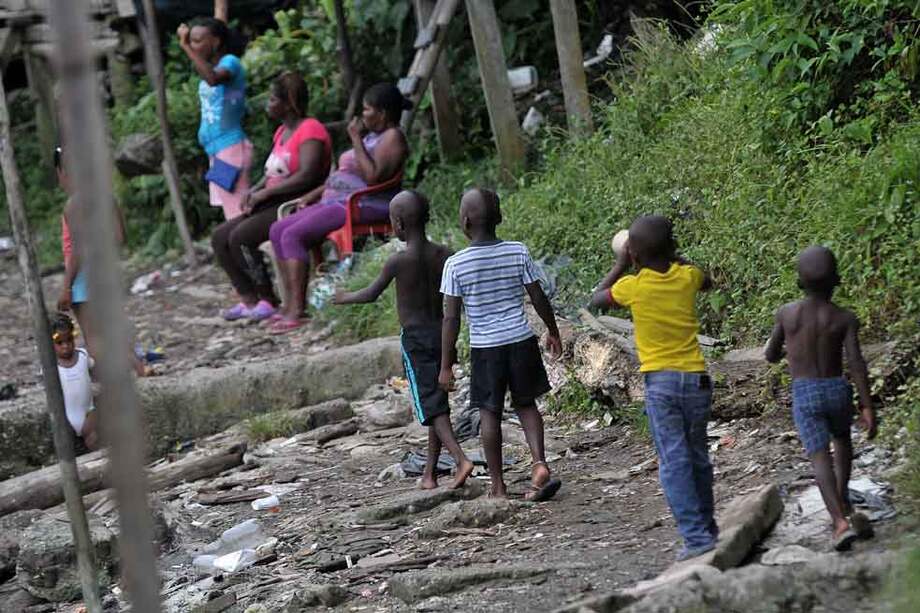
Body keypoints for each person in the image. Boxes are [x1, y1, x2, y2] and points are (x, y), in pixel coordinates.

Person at [590, 215, 717, 561]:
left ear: (634, 256)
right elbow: (707, 280)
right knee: (697, 457)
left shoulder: (634, 286)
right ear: (673, 248)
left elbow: (596, 300)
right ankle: (708, 527)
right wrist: (675, 255)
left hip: (661, 385)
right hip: (696, 380)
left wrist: (620, 264)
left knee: (674, 461)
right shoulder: (687, 277)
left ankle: (696, 538)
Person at [334, 191, 474, 489]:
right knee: (439, 403)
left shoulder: (398, 261)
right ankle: (430, 473)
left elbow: (371, 294)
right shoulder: (445, 254)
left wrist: (343, 297)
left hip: (416, 340)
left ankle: (461, 460)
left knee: (431, 407)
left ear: (398, 223)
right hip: (443, 335)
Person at [439, 188, 563, 501]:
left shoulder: (456, 264)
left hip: (486, 349)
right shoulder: (517, 251)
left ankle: (497, 485)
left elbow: (451, 319)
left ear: (465, 222)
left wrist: (446, 365)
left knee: (489, 414)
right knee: (527, 404)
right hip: (521, 340)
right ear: (500, 218)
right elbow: (537, 296)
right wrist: (553, 330)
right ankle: (539, 463)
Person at [267, 83, 410, 333]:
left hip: (362, 204)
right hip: (335, 200)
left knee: (293, 235)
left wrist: (355, 138)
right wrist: (313, 195)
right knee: (278, 229)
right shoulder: (372, 136)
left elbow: (374, 176)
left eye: (366, 109)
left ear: (383, 113)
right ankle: (289, 304)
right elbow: (343, 174)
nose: (361, 115)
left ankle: (297, 311)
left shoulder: (392, 137)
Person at [765, 245, 876, 551]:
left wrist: (788, 347)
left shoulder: (787, 314)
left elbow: (771, 355)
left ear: (799, 282)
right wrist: (867, 405)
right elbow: (856, 363)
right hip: (837, 388)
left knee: (818, 456)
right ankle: (842, 501)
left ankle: (839, 523)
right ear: (837, 279)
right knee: (842, 441)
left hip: (806, 393)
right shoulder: (844, 318)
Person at [210, 72, 332, 322]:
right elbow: (271, 174)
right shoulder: (281, 132)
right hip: (272, 200)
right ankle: (249, 299)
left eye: (273, 99)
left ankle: (267, 299)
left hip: (295, 201)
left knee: (241, 237)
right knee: (219, 236)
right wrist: (254, 190)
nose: (268, 104)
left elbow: (308, 175)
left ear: (288, 103)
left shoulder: (311, 129)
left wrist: (266, 193)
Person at [55, 146, 145, 377]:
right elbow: (120, 238)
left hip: (82, 278)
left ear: (62, 173)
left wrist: (66, 287)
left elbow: (77, 251)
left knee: (94, 337)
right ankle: (140, 367)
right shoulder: (106, 196)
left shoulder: (72, 205)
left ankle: (125, 372)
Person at [178, 17, 252, 221]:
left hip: (231, 147)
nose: (193, 46)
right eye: (191, 41)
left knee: (238, 213)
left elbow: (212, 79)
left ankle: (255, 250)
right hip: (217, 151)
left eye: (197, 41)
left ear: (216, 42)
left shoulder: (230, 62)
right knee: (230, 210)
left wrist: (185, 47)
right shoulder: (211, 67)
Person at [52, 313, 100, 450]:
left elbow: (94, 369)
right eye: (60, 343)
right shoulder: (50, 366)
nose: (66, 346)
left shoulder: (83, 355)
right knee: (68, 447)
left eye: (69, 340)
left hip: (87, 412)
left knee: (93, 439)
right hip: (65, 417)